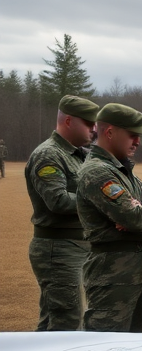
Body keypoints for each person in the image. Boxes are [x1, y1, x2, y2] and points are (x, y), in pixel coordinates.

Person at [76, 103, 142, 332]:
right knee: (105, 347)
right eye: (133, 135)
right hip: (110, 279)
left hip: (130, 278)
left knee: (131, 346)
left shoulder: (122, 171)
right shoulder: (98, 172)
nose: (138, 142)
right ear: (109, 132)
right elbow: (137, 219)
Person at [26, 95, 100, 331]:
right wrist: (100, 202)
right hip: (58, 248)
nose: (94, 129)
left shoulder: (82, 155)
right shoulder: (48, 154)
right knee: (66, 323)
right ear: (68, 121)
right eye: (88, 123)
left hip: (78, 245)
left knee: (60, 319)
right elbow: (57, 200)